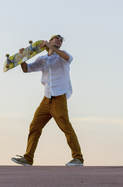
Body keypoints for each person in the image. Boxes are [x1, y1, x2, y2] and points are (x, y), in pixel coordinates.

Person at [11, 34, 84, 166]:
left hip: (59, 99)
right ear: (49, 40)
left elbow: (67, 57)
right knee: (34, 127)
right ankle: (28, 158)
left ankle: (78, 158)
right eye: (56, 38)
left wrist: (50, 47)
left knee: (66, 128)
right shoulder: (42, 59)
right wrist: (22, 58)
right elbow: (26, 69)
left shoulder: (63, 56)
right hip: (46, 100)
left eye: (61, 40)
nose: (59, 40)